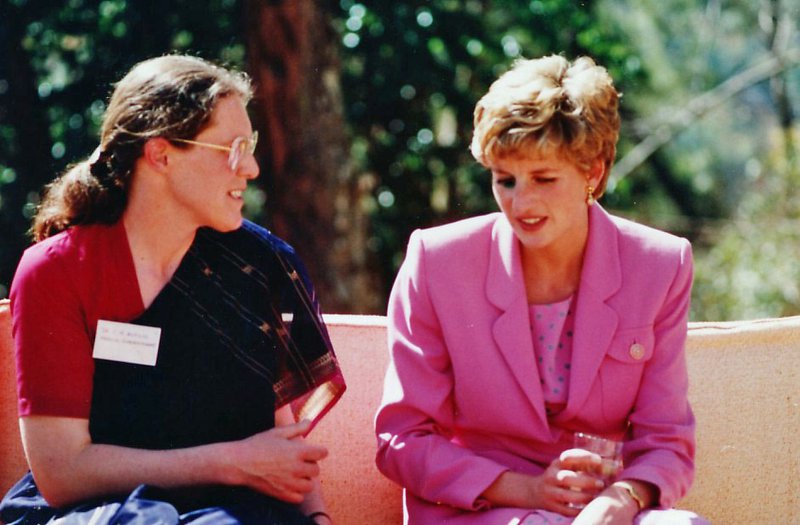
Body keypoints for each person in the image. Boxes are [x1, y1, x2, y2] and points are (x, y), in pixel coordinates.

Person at [1, 54, 345, 525]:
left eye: (252, 145)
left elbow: (278, 440)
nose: (251, 169)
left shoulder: (255, 265)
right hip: (101, 514)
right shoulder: (57, 271)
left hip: (232, 512)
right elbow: (62, 473)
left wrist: (319, 519)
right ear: (160, 154)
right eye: (233, 147)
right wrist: (231, 463)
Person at [375, 55, 709, 524]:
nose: (521, 203)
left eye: (544, 179)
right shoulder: (436, 261)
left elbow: (665, 439)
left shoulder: (660, 264)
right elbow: (401, 440)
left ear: (592, 172)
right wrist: (529, 491)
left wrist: (621, 500)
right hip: (478, 510)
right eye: (505, 180)